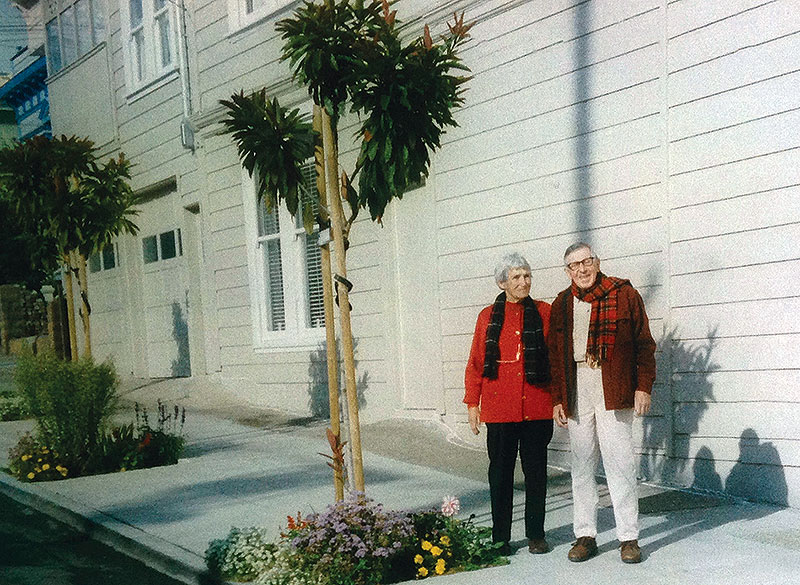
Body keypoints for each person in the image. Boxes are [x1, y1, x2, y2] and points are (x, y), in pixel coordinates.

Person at [548, 242, 656, 564]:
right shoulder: (562, 303)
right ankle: (585, 535)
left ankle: (628, 538)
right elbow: (555, 355)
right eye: (574, 265)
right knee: (581, 464)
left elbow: (644, 345)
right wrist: (558, 398)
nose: (582, 270)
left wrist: (643, 387)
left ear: (597, 262)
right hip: (577, 385)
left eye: (586, 262)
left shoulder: (624, 294)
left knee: (619, 462)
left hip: (614, 385)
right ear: (567, 271)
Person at [464, 253, 554, 555]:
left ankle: (536, 534)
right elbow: (476, 362)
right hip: (500, 409)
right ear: (502, 282)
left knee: (536, 473)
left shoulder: (544, 312)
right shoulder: (487, 316)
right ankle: (500, 537)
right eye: (516, 277)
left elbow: (556, 360)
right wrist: (472, 404)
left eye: (527, 275)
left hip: (537, 407)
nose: (523, 282)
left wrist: (559, 401)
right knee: (500, 474)